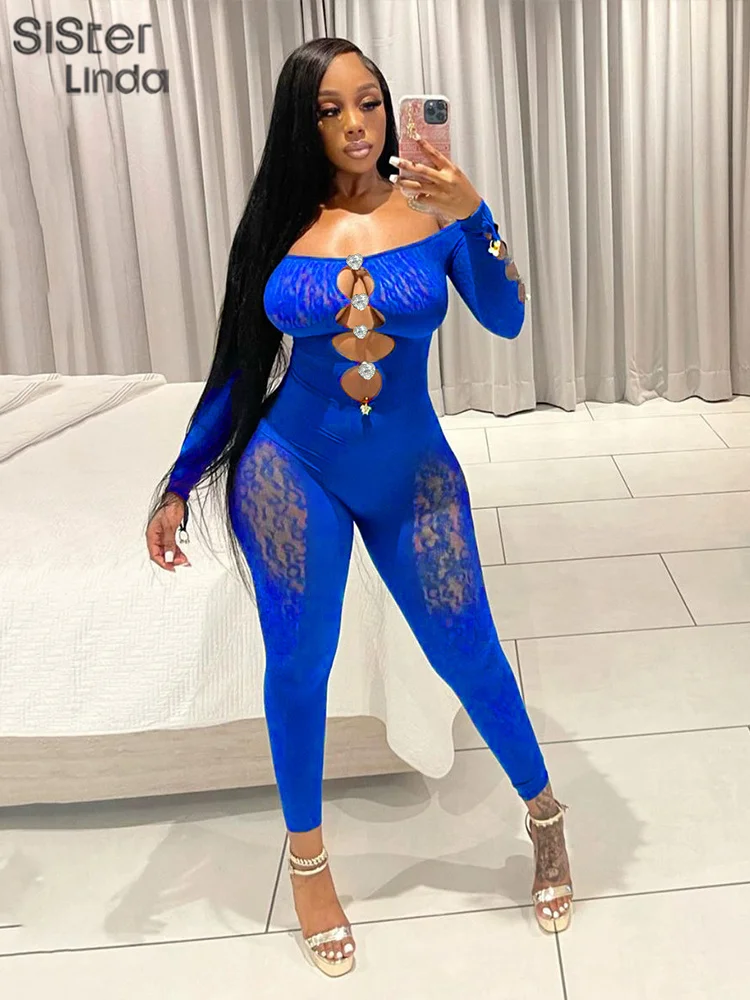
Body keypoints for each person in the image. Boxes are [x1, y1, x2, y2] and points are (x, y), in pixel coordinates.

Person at [145, 37, 572, 979]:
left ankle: (544, 812)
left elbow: (507, 317)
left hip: (413, 474)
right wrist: (179, 479)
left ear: (391, 109)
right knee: (300, 664)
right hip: (289, 469)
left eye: (369, 103)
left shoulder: (435, 210)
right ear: (303, 124)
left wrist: (476, 214)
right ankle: (308, 865)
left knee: (468, 650)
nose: (354, 125)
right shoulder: (277, 226)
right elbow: (238, 369)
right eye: (330, 109)